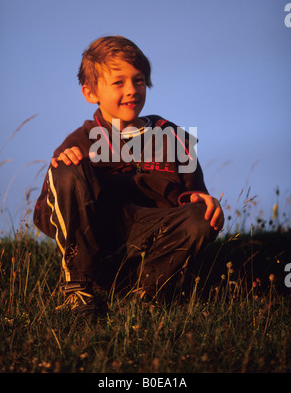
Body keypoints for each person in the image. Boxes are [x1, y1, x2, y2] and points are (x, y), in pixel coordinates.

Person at [33, 35, 224, 315]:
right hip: (102, 246)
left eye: (139, 80)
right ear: (90, 93)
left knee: (199, 216)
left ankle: (149, 295)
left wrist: (201, 200)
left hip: (156, 243)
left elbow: (194, 191)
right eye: (118, 82)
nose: (132, 89)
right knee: (66, 168)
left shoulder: (171, 135)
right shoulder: (80, 142)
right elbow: (44, 218)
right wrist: (62, 175)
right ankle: (78, 292)